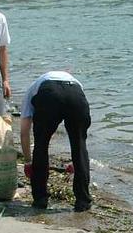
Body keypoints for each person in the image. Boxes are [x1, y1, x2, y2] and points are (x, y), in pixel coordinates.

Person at [19, 71, 92, 211]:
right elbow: (81, 128)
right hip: (76, 95)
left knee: (41, 144)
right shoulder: (77, 84)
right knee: (79, 145)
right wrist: (75, 163)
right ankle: (83, 201)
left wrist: (28, 162)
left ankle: (40, 199)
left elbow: (24, 132)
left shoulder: (32, 91)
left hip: (49, 95)